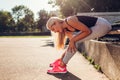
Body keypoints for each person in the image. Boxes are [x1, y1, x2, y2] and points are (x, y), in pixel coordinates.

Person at [46, 15, 111, 74]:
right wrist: (62, 58)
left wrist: (73, 40)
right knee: (74, 41)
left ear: (55, 23)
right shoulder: (66, 29)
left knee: (75, 40)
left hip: (103, 25)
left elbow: (88, 31)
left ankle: (62, 66)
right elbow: (72, 45)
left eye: (53, 29)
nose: (54, 31)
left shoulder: (70, 21)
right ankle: (61, 61)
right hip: (97, 26)